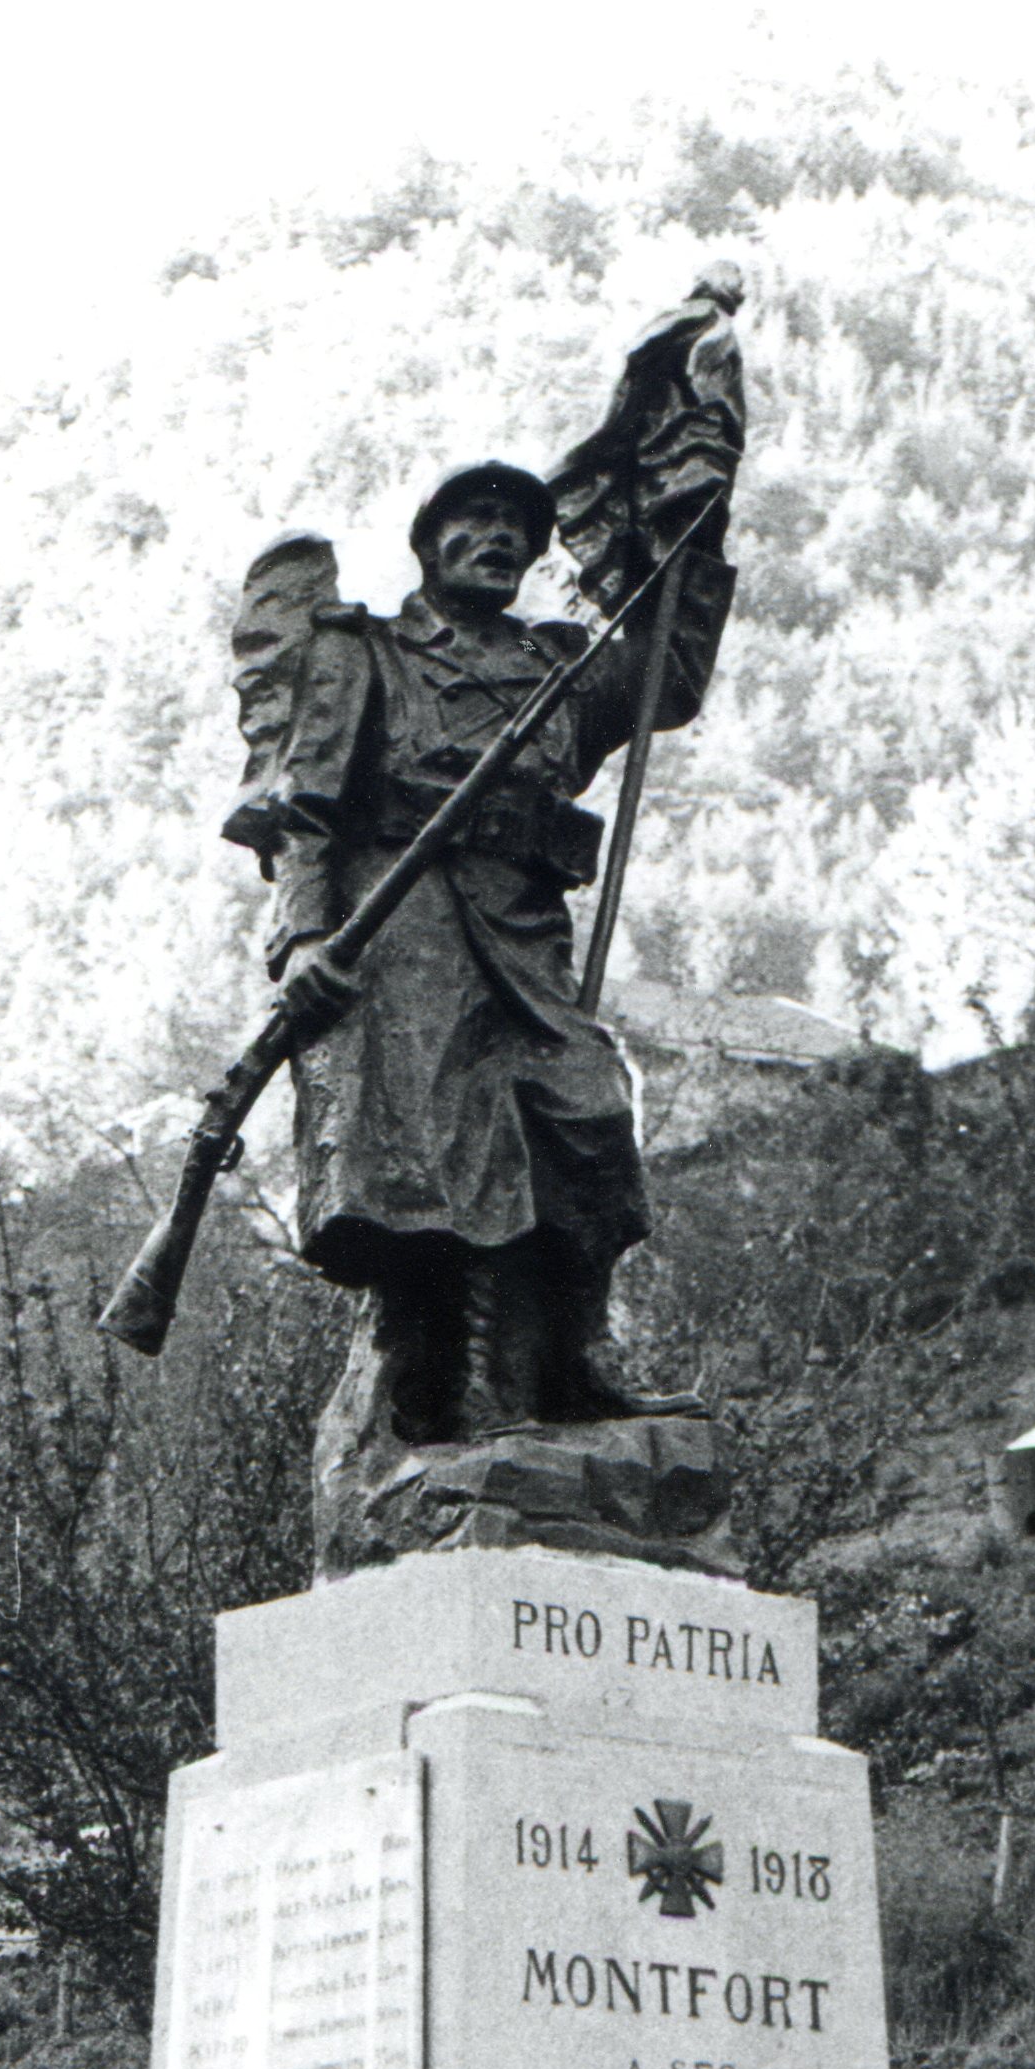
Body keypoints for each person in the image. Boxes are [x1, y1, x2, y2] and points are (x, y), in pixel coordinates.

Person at [221, 281, 745, 1565]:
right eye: (477, 522)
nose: (501, 540)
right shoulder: (366, 655)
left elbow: (668, 666)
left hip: (519, 934)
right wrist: (302, 940)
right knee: (427, 1161)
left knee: (581, 1117)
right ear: (432, 543)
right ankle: (427, 1397)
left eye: (518, 527)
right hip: (398, 928)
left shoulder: (563, 663)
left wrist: (694, 515)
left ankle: (568, 1366)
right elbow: (303, 805)